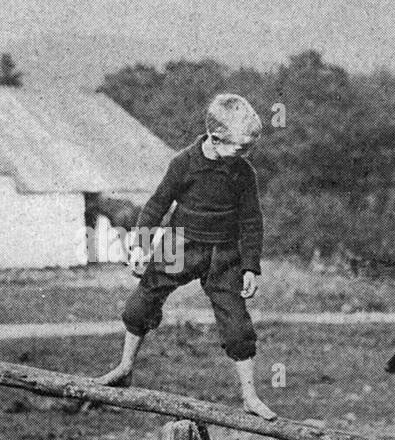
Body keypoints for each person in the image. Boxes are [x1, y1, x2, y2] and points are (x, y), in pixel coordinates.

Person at [95, 93, 275, 419]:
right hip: (179, 245)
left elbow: (251, 220)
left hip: (224, 254)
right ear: (216, 139)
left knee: (237, 326)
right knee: (141, 303)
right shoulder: (184, 163)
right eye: (241, 148)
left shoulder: (243, 173)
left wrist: (250, 266)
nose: (247, 154)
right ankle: (124, 366)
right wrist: (140, 245)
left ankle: (249, 396)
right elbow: (157, 205)